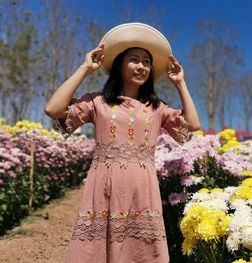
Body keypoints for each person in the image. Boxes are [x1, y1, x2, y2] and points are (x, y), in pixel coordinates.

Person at [44, 22, 200, 263]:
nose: (142, 66)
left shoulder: (157, 108)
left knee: (140, 252)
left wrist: (180, 83)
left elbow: (192, 125)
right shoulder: (97, 102)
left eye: (147, 62)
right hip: (103, 188)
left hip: (142, 190)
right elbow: (53, 109)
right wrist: (85, 69)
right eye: (135, 60)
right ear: (119, 65)